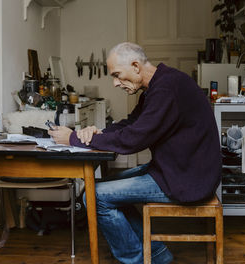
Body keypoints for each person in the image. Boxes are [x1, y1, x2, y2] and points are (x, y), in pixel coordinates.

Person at [48, 42, 221, 264]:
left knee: (96, 195)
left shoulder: (166, 90)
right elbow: (131, 123)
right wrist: (93, 133)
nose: (115, 83)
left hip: (187, 179)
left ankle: (138, 259)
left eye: (118, 75)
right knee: (98, 189)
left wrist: (71, 138)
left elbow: (134, 139)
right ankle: (156, 254)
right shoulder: (159, 85)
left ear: (136, 66)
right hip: (174, 170)